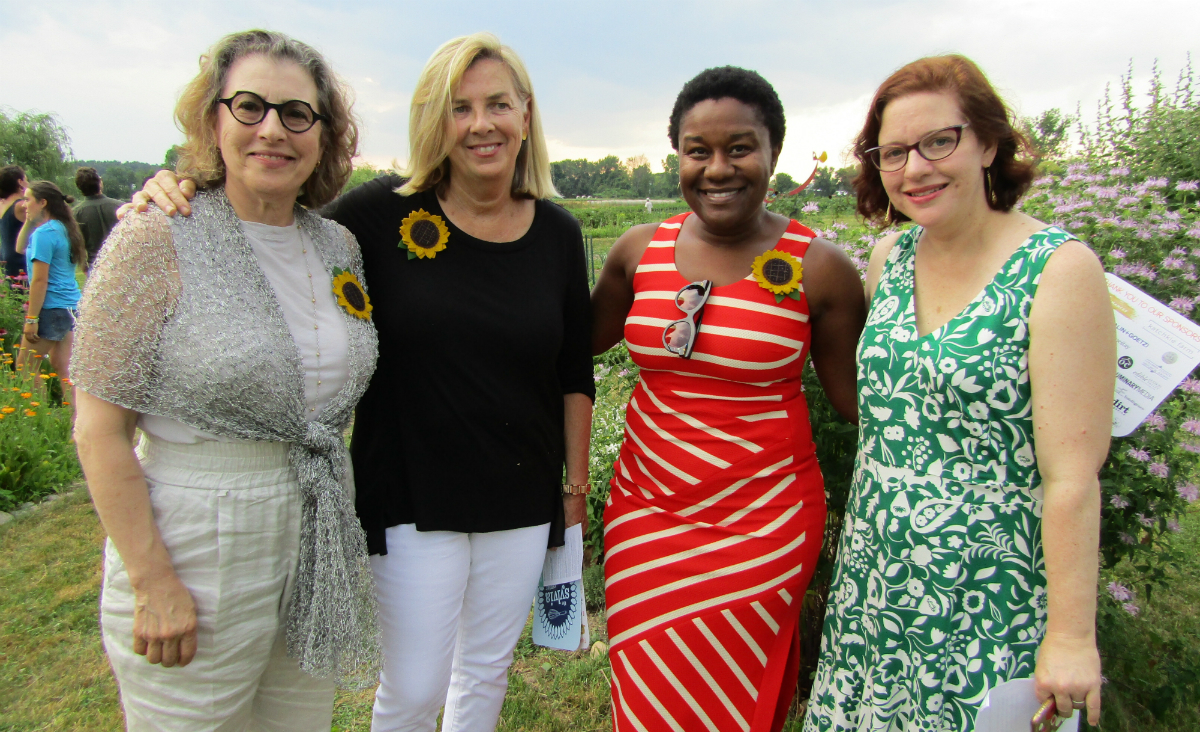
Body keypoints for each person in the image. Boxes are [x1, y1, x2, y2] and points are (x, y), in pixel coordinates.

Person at [130, 32, 594, 732]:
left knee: (487, 672)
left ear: (526, 115)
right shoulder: (378, 216)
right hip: (408, 491)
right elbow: (269, 220)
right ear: (433, 120)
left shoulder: (558, 233)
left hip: (522, 494)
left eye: (499, 103)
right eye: (459, 107)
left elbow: (574, 375)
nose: (481, 124)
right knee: (412, 687)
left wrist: (575, 487)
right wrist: (184, 184)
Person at [71, 29, 378, 731]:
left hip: (316, 529)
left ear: (324, 135)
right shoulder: (158, 234)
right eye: (249, 106)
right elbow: (99, 431)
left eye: (297, 113)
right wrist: (152, 580)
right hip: (197, 538)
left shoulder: (337, 246)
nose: (273, 129)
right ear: (214, 119)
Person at [803, 55, 1110, 731]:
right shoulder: (890, 257)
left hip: (987, 598)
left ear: (988, 142)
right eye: (893, 152)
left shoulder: (1058, 272)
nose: (916, 169)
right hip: (877, 584)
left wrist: (1070, 636)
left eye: (939, 141)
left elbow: (1072, 477)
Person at [590, 66, 866, 732]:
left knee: (734, 697)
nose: (718, 168)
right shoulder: (637, 252)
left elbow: (862, 403)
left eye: (740, 148)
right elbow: (563, 350)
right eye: (698, 150)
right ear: (676, 157)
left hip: (763, 526)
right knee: (651, 697)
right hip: (646, 516)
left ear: (774, 153)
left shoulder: (818, 266)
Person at [14, 181, 84, 379]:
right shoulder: (62, 228)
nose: (24, 204)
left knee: (25, 368)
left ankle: (35, 408)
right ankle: (73, 411)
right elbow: (20, 248)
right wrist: (29, 220)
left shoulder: (43, 234)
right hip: (70, 305)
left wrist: (32, 319)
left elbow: (39, 280)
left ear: (43, 202)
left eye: (28, 200)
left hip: (52, 308)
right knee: (63, 369)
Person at [72, 166, 122, 269]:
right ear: (99, 182)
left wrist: (84, 267)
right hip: (121, 261)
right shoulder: (120, 207)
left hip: (95, 265)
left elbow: (77, 246)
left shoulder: (75, 214)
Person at [0, 165, 27, 279]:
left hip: (5, 257)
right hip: (20, 259)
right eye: (26, 180)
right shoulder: (21, 206)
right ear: (20, 182)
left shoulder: (2, 204)